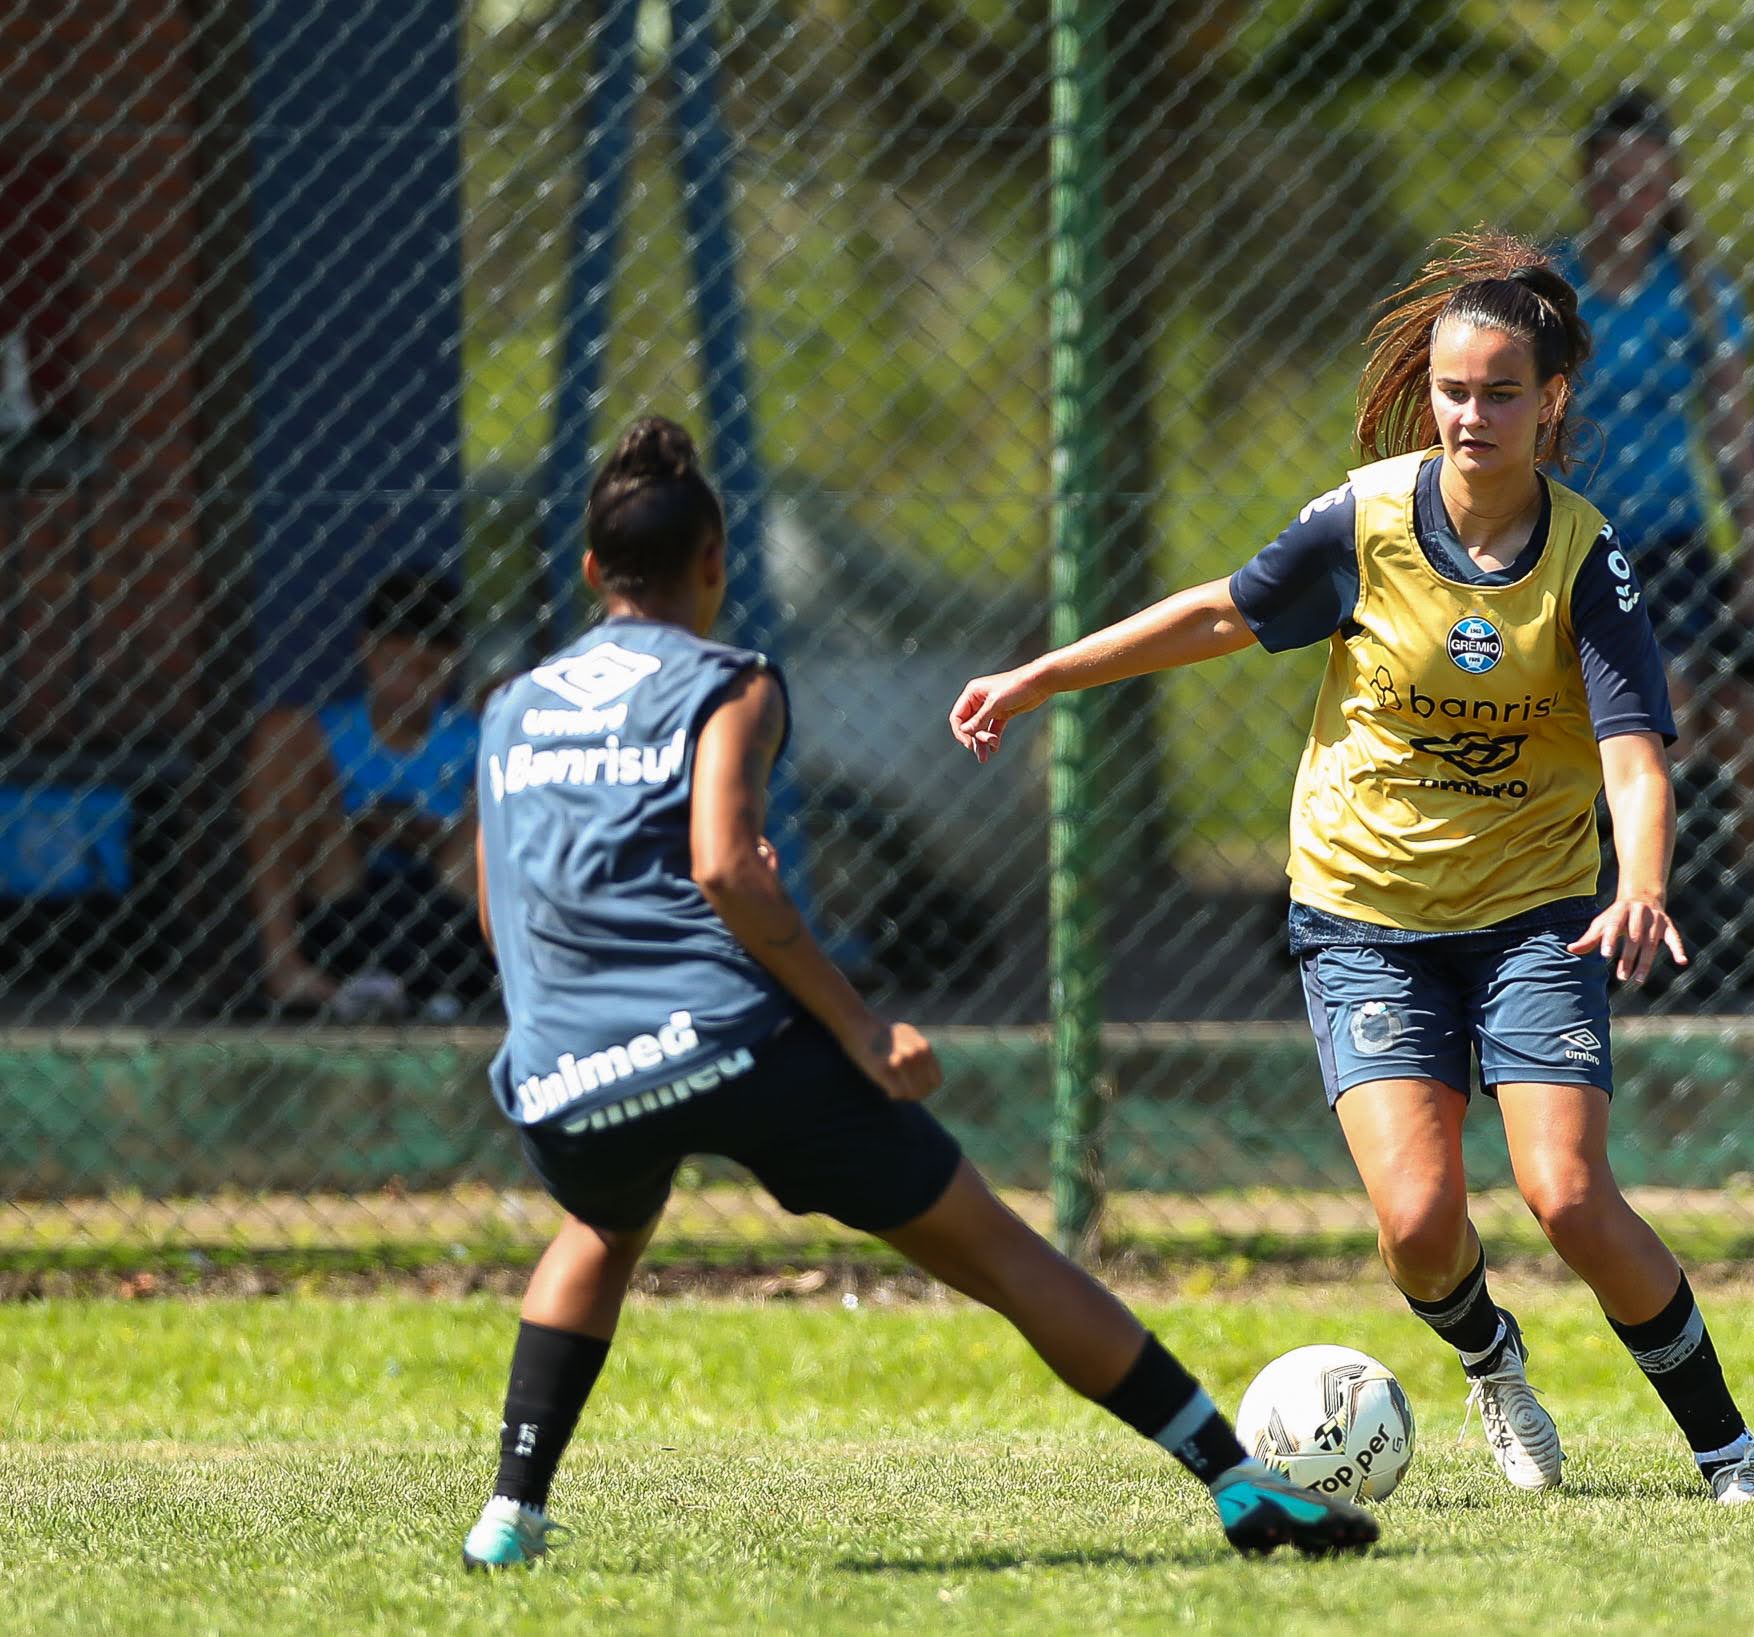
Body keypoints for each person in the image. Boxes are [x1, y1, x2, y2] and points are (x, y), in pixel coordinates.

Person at [953, 232, 1754, 1505]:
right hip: (1364, 913)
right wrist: (1039, 677)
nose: (1470, 415)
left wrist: (1641, 883)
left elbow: (1631, 750)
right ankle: (1490, 1361)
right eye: (1453, 390)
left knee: (1565, 1194)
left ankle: (1728, 1452)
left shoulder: (1584, 555)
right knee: (1414, 1226)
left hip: (1534, 916)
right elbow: (1218, 613)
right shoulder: (1364, 519)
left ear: (1548, 400)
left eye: (1499, 392)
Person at [457, 417, 1373, 1570]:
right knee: (997, 1252)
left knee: (599, 1226)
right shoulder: (728, 682)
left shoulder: (510, 706)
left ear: (590, 571)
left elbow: (502, 909)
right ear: (714, 565)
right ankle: (1235, 1482)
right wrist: (862, 1029)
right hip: (730, 1044)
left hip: (563, 1065)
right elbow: (724, 869)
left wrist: (565, 1032)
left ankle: (508, 1516)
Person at [1569, 89, 1754, 972]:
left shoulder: (1701, 295)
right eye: (1611, 179)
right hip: (1571, 534)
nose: (1627, 197)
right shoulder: (1554, 287)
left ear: (1668, 186)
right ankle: (1583, 897)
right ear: (1587, 183)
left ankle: (1685, 910)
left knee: (1681, 716)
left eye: (1645, 179)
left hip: (1669, 537)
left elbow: (1733, 433)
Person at [240, 569, 493, 1020]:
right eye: (396, 663)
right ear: (368, 651)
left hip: (448, 916)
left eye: (427, 668)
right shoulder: (325, 734)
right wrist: (361, 824)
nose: (410, 683)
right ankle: (286, 967)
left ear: (452, 662)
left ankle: (506, 974)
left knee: (502, 763)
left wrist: (426, 833)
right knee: (281, 733)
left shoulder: (472, 735)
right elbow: (314, 824)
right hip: (345, 906)